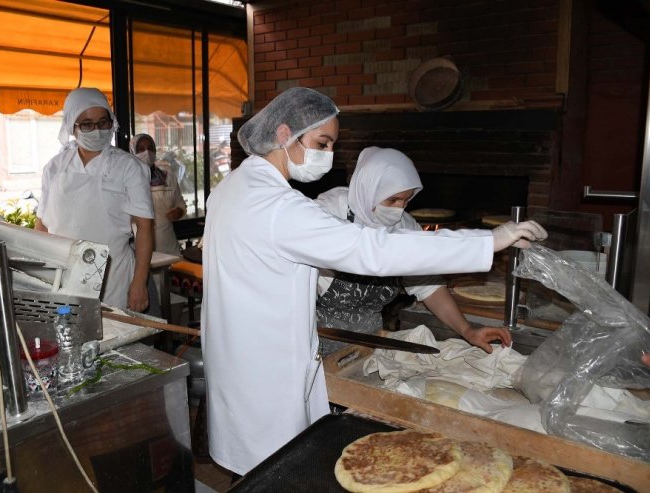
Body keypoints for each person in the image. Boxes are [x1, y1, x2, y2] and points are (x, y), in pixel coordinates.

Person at [201, 86, 547, 477]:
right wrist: (490, 240)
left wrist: (466, 327)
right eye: (322, 142)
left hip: (241, 364)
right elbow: (373, 250)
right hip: (269, 374)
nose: (327, 155)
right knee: (279, 472)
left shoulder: (233, 188)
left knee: (257, 471)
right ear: (284, 135)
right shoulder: (282, 208)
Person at [315, 146, 511, 354]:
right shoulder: (329, 212)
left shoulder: (405, 226)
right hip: (315, 339)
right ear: (369, 188)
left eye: (406, 200)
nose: (399, 208)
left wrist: (468, 330)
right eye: (392, 200)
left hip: (368, 343)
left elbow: (429, 287)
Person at [35, 88, 154, 312]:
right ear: (72, 127)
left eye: (103, 123)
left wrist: (139, 283)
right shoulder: (55, 168)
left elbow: (145, 228)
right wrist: (38, 275)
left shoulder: (128, 167)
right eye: (87, 124)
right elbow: (42, 226)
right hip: (64, 278)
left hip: (114, 278)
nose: (97, 131)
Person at [130, 133, 187, 256]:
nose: (147, 152)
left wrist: (179, 212)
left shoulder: (168, 177)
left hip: (167, 245)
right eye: (141, 149)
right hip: (139, 247)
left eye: (150, 148)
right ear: (133, 152)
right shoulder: (125, 182)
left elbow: (181, 203)